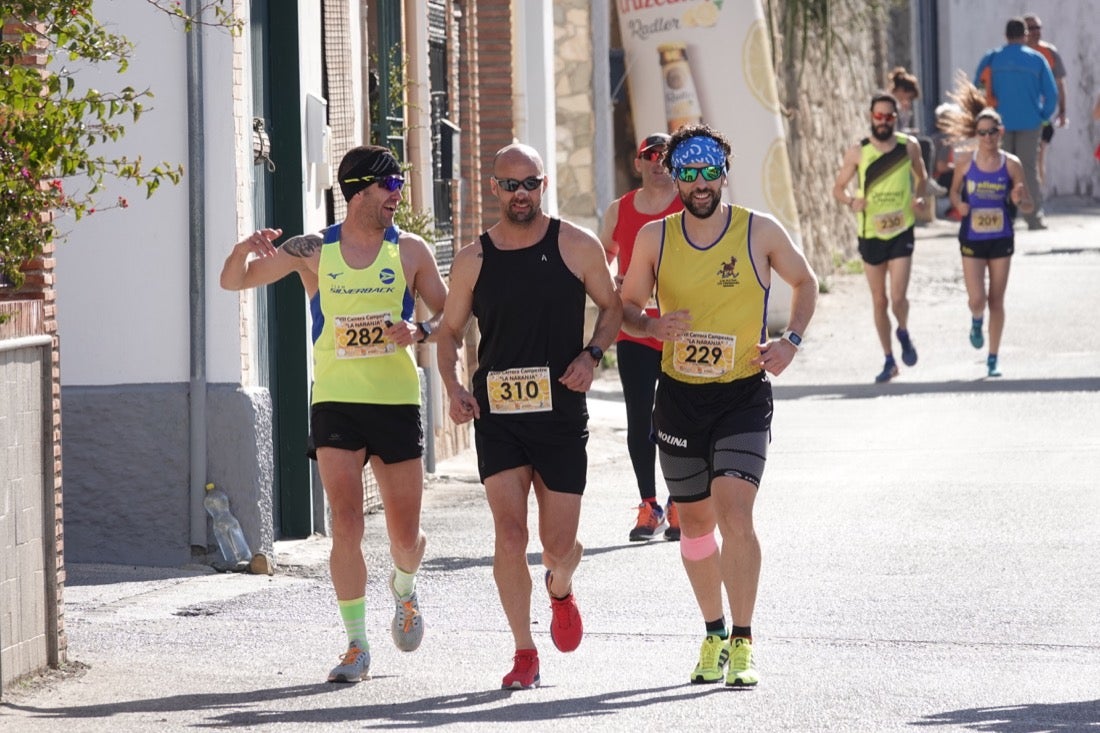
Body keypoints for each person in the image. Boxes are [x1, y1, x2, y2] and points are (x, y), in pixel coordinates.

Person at [220, 145, 448, 683]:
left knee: (404, 534)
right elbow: (236, 281)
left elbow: (449, 308)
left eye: (399, 184)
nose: (398, 194)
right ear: (360, 190)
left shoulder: (410, 251)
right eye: (390, 185)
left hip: (395, 402)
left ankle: (405, 588)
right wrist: (241, 248)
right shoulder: (313, 249)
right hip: (337, 402)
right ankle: (356, 645)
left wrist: (422, 332)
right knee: (345, 524)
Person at [620, 123, 817, 688]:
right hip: (679, 397)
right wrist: (653, 323)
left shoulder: (759, 230)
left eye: (710, 171)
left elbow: (805, 283)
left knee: (736, 514)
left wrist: (791, 342)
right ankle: (712, 634)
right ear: (675, 176)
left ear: (724, 174)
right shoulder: (656, 238)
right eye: (689, 172)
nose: (700, 182)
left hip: (742, 395)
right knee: (697, 526)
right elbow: (627, 306)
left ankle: (744, 641)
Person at [436, 143, 622, 690]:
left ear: (544, 185)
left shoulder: (576, 245)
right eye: (510, 184)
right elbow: (447, 332)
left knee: (559, 548)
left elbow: (612, 307)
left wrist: (591, 356)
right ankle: (524, 651)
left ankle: (560, 588)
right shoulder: (473, 259)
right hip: (499, 415)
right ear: (494, 189)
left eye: (530, 183)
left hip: (561, 412)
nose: (521, 194)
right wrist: (452, 385)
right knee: (510, 535)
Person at [598, 132, 684, 542]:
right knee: (639, 419)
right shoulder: (621, 210)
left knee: (680, 416)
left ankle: (679, 501)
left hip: (681, 330)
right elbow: (601, 258)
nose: (659, 162)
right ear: (638, 163)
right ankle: (649, 505)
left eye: (666, 155)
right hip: (634, 327)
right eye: (650, 155)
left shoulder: (688, 204)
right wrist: (612, 288)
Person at [832, 92, 929, 383]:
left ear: (895, 118)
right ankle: (889, 359)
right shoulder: (858, 152)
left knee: (898, 297)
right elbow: (838, 188)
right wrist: (851, 202)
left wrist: (919, 198)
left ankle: (903, 329)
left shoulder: (908, 146)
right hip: (871, 233)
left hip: (901, 229)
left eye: (889, 116)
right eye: (879, 116)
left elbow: (922, 178)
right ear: (871, 117)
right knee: (879, 300)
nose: (883, 121)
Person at [941, 81, 1033, 378]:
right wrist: (960, 205)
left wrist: (1020, 198)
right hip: (972, 237)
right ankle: (976, 318)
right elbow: (953, 194)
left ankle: (993, 357)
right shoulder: (965, 163)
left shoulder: (1012, 165)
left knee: (997, 299)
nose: (988, 137)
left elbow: (1029, 205)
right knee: (977, 299)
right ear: (976, 135)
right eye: (982, 133)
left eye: (992, 131)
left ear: (1001, 133)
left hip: (1002, 237)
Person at [974, 17, 1058, 230]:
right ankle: (1033, 217)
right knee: (1028, 169)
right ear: (1025, 35)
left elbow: (976, 87)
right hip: (1030, 123)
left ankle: (999, 216)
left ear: (1005, 35)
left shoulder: (992, 58)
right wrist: (1042, 115)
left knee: (997, 168)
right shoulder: (1037, 59)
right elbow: (1051, 93)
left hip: (997, 124)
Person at [1023, 13, 1068, 188]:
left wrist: (1062, 111)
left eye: (1038, 28)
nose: (1036, 32)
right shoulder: (1015, 54)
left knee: (1039, 156)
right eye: (1031, 28)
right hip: (1018, 114)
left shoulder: (1049, 53)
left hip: (1042, 115)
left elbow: (1060, 84)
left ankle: (1037, 196)